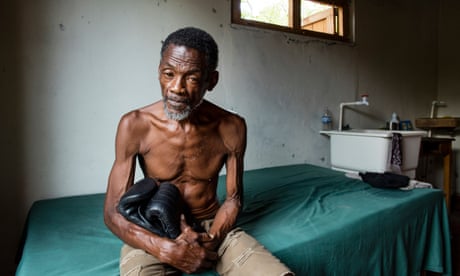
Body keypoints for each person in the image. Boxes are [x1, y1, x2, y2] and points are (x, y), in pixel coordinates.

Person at [104, 27, 293, 276]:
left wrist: (213, 237)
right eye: (168, 74)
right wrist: (164, 249)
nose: (176, 88)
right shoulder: (134, 125)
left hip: (210, 225)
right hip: (154, 228)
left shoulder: (231, 127)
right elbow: (112, 212)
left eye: (192, 78)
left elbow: (234, 199)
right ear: (159, 72)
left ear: (211, 81)